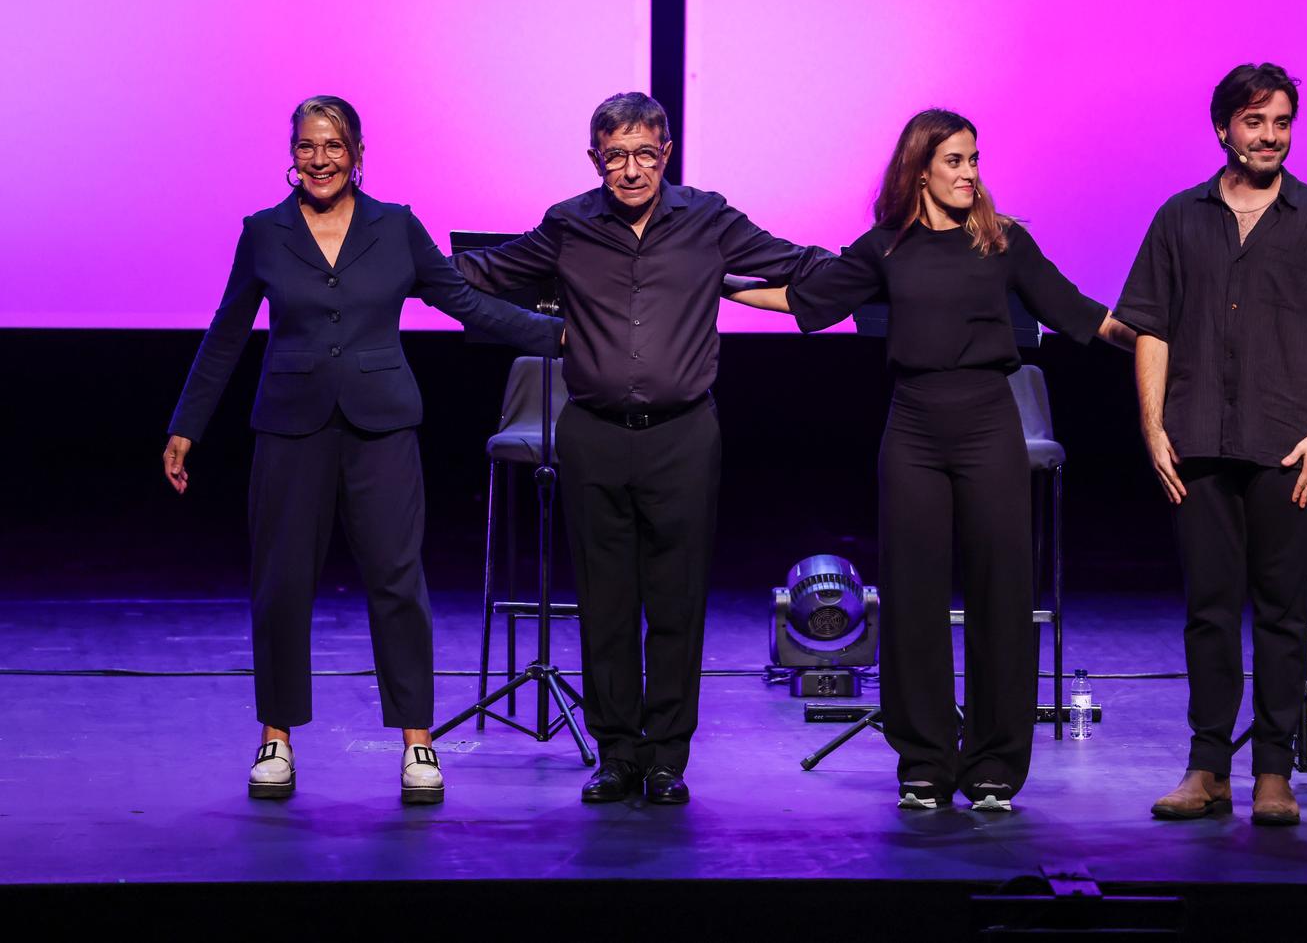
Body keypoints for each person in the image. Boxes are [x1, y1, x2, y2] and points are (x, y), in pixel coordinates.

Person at [727, 109, 1135, 811]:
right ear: (919, 170)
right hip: (914, 428)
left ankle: (995, 763)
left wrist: (1159, 346)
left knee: (1001, 593)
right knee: (913, 597)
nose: (970, 173)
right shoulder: (885, 248)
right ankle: (924, 759)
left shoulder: (1003, 242)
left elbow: (1082, 313)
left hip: (989, 424)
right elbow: (802, 299)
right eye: (955, 160)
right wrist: (711, 285)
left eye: (975, 159)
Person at [164, 96, 563, 805]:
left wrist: (556, 336)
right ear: (292, 154)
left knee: (397, 580)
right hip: (291, 427)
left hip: (382, 426)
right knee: (281, 582)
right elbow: (227, 332)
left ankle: (417, 743)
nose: (320, 159)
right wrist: (186, 424)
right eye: (307, 146)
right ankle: (276, 738)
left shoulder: (395, 226)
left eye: (334, 145)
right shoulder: (264, 232)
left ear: (356, 154)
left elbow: (464, 302)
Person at [450, 92, 831, 805]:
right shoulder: (569, 224)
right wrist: (393, 261)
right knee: (606, 604)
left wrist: (890, 265)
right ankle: (617, 754)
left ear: (666, 154)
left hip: (683, 435)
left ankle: (666, 758)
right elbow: (481, 273)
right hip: (593, 433)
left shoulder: (709, 220)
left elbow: (800, 262)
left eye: (644, 155)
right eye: (616, 156)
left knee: (677, 603)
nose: (630, 170)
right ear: (595, 159)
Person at [1113, 64, 1307, 826]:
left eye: (1282, 122)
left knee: (1281, 613)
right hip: (1198, 439)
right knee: (1209, 610)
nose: (1270, 137)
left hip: (1287, 445)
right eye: (1255, 121)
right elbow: (1151, 327)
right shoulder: (1179, 218)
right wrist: (1153, 426)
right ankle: (1206, 769)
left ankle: (1272, 773)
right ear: (1223, 128)